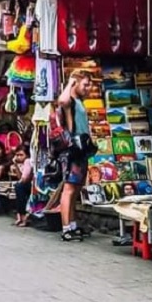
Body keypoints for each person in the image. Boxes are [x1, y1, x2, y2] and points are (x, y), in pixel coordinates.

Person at [57, 69, 94, 241]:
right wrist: (70, 83)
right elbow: (62, 100)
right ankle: (66, 228)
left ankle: (72, 224)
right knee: (69, 188)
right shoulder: (69, 101)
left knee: (76, 188)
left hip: (81, 150)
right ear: (75, 83)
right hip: (72, 149)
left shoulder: (79, 101)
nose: (88, 88)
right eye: (85, 84)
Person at [11, 145, 33, 227]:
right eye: (17, 155)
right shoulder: (21, 164)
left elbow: (24, 179)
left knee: (18, 187)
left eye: (21, 155)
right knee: (18, 187)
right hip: (26, 185)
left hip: (32, 185)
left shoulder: (28, 161)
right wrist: (15, 164)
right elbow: (20, 177)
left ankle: (22, 216)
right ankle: (20, 216)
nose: (19, 157)